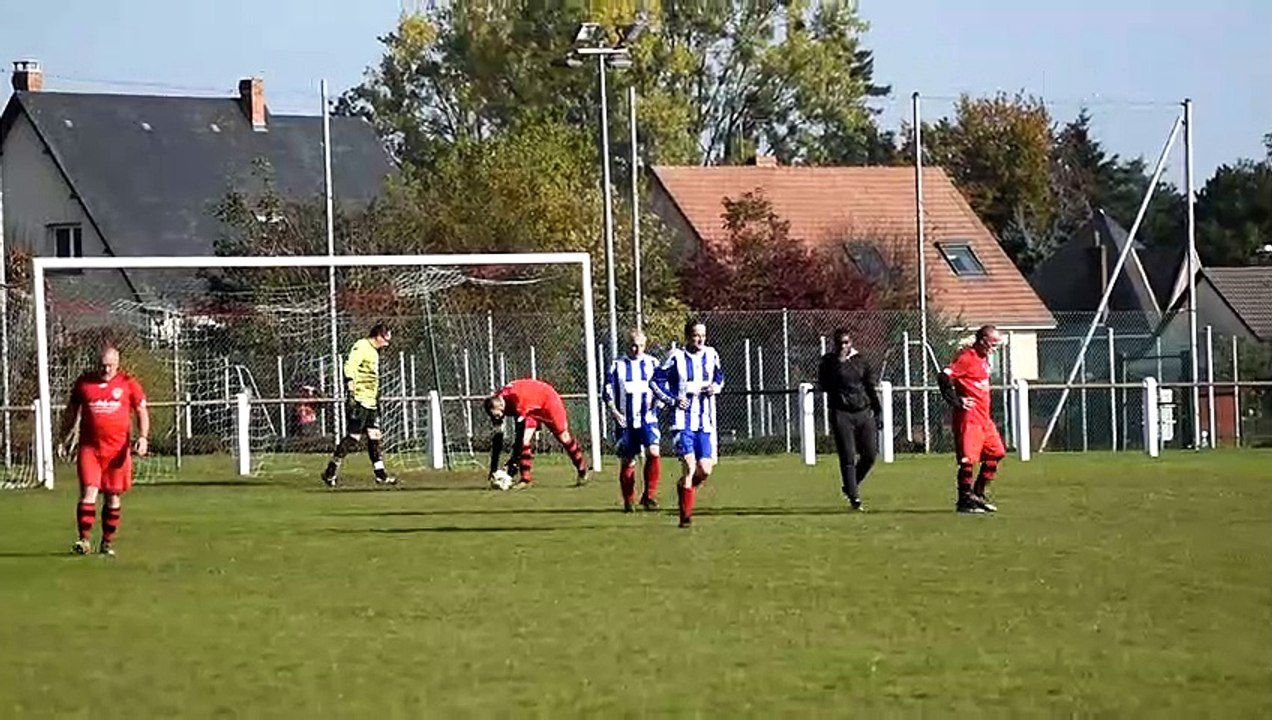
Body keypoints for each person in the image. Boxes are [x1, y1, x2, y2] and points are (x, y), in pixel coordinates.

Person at [57, 345, 150, 557]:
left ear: (117, 364)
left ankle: (107, 542)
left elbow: (141, 411)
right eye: (102, 365)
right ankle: (84, 539)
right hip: (90, 449)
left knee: (112, 497)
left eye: (110, 365)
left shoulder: (128, 384)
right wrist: (62, 438)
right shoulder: (84, 383)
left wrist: (143, 437)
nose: (106, 369)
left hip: (117, 451)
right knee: (89, 491)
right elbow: (71, 413)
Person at [658, 318, 724, 528]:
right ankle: (685, 517)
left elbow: (720, 377)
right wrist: (674, 400)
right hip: (682, 421)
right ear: (687, 336)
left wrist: (716, 387)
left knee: (705, 469)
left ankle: (685, 490)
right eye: (696, 335)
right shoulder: (676, 357)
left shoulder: (712, 354)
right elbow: (655, 382)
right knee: (689, 465)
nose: (700, 339)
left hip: (704, 422)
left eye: (703, 335)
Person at [937, 324, 1006, 514]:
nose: (995, 349)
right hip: (970, 419)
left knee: (996, 453)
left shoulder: (984, 359)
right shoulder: (967, 358)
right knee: (968, 460)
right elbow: (944, 376)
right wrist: (956, 401)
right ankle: (964, 500)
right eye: (993, 344)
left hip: (984, 419)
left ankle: (978, 492)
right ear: (983, 341)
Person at [604, 328, 673, 512]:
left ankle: (649, 496)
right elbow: (607, 391)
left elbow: (662, 387)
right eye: (634, 345)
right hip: (625, 421)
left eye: (641, 345)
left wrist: (659, 405)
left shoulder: (652, 363)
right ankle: (629, 500)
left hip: (647, 419)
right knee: (628, 460)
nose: (638, 349)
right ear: (628, 345)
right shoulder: (617, 365)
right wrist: (615, 413)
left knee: (654, 452)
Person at [321, 323, 398, 487]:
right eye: (386, 339)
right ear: (378, 336)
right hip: (360, 399)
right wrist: (350, 385)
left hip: (371, 401)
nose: (387, 343)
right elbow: (350, 366)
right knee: (353, 438)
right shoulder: (361, 346)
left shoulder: (375, 352)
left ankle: (380, 474)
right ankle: (330, 470)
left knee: (375, 436)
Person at [816, 329, 881, 511]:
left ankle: (851, 484)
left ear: (851, 343)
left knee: (870, 454)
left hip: (862, 411)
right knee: (848, 455)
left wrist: (878, 410)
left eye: (846, 343)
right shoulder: (828, 362)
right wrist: (840, 364)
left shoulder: (861, 361)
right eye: (839, 343)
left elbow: (869, 386)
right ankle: (854, 496)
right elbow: (825, 384)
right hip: (841, 412)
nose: (842, 347)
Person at [484, 377, 590, 488]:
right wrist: (493, 469)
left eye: (497, 416)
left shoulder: (516, 399)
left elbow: (519, 434)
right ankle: (526, 480)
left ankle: (582, 470)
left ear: (500, 406)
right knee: (525, 440)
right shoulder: (497, 401)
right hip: (530, 409)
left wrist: (512, 465)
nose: (497, 419)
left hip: (548, 401)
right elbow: (498, 438)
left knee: (564, 437)